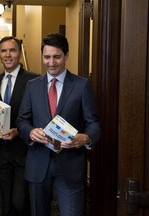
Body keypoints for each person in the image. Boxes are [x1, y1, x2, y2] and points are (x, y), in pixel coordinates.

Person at [17, 33, 101, 216]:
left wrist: (85, 137)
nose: (51, 62)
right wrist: (30, 133)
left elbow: (94, 123)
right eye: (47, 57)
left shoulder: (82, 85)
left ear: (66, 55)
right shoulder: (32, 86)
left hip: (71, 165)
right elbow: (22, 121)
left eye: (57, 56)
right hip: (38, 163)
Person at [0, 36, 39, 216]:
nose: (7, 55)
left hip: (24, 151)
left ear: (20, 54)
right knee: (6, 203)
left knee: (20, 201)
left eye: (12, 50)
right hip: (0, 151)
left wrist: (21, 131)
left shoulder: (35, 80)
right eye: (3, 51)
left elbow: (41, 116)